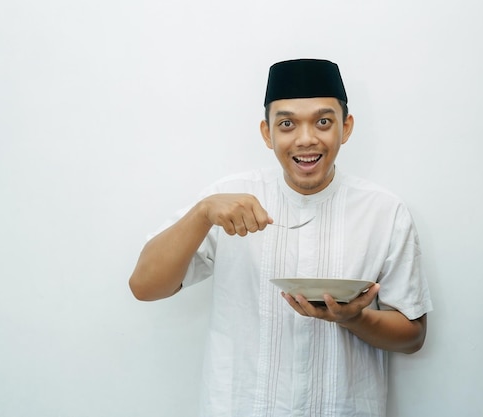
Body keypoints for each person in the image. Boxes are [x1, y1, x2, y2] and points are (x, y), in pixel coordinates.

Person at [129, 58, 433, 417]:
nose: (306, 139)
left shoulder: (384, 211)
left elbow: (413, 336)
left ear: (346, 127)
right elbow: (145, 287)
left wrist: (354, 318)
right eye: (287, 124)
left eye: (323, 121)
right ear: (266, 132)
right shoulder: (226, 199)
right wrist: (201, 213)